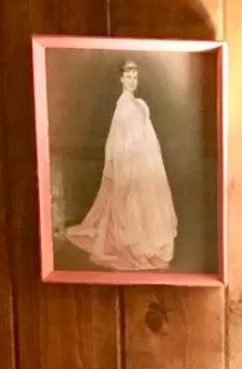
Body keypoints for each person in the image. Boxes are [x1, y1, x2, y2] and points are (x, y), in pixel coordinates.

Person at [66, 60, 178, 270]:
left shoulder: (140, 104)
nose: (132, 81)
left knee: (147, 202)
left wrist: (149, 162)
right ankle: (135, 248)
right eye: (128, 77)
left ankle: (148, 247)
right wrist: (115, 163)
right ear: (121, 79)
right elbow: (115, 138)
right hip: (128, 161)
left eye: (135, 77)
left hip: (144, 160)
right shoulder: (123, 106)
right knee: (129, 204)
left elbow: (147, 136)